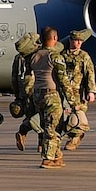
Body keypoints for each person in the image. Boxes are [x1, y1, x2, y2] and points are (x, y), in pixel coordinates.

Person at [55, 30, 96, 153]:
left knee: (79, 118)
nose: (78, 43)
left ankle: (74, 139)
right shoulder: (62, 55)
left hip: (79, 92)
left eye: (80, 41)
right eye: (75, 40)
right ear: (70, 41)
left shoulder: (84, 56)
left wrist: (91, 91)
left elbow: (90, 74)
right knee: (63, 118)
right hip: (63, 92)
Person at [29, 27, 64, 169]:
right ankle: (47, 158)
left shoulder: (35, 56)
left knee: (47, 125)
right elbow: (63, 79)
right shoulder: (55, 56)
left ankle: (57, 155)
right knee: (52, 127)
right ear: (54, 38)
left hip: (38, 94)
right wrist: (73, 100)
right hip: (51, 94)